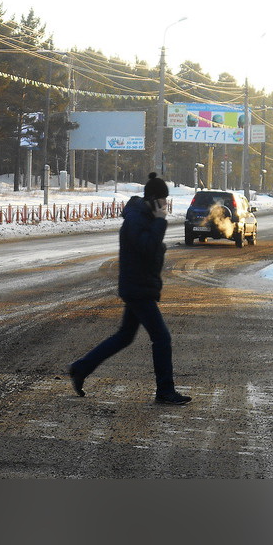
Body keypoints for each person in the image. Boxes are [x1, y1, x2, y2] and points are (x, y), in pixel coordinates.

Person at [68, 172, 191, 405]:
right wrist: (160, 220)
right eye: (163, 201)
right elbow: (147, 247)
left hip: (139, 285)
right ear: (154, 199)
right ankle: (165, 391)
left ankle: (81, 368)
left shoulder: (143, 217)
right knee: (162, 338)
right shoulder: (137, 219)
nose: (166, 206)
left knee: (125, 336)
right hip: (137, 288)